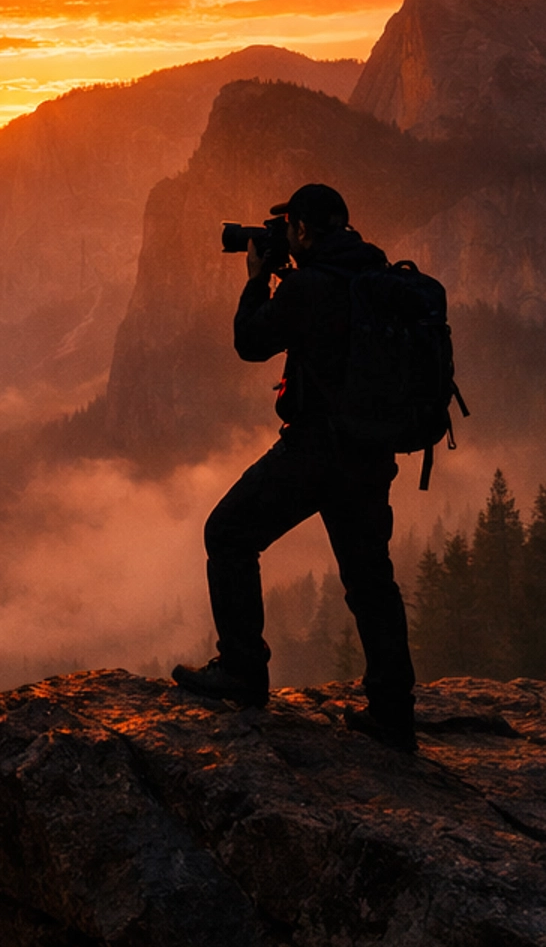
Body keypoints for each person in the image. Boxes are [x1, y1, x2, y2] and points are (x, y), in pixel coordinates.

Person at [172, 180, 419, 754]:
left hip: (317, 451)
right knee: (369, 581)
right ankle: (393, 710)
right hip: (370, 455)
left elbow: (250, 342)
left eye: (289, 228)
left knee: (228, 533)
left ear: (303, 230)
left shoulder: (312, 286)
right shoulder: (374, 274)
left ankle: (242, 670)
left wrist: (258, 276)